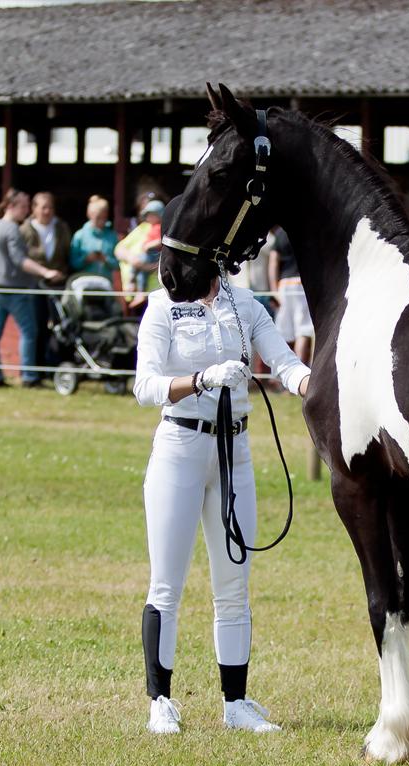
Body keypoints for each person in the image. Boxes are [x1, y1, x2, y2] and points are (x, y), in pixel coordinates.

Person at [133, 277, 311, 734]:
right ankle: (160, 701)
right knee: (167, 583)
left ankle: (236, 702)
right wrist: (200, 380)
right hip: (181, 444)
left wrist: (312, 384)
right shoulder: (162, 306)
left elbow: (284, 360)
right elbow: (145, 385)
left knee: (234, 583)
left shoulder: (244, 302)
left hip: (236, 449)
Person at [0, 189, 64, 388]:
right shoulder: (12, 229)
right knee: (29, 332)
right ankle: (29, 376)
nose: (26, 211)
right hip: (13, 289)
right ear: (11, 206)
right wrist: (45, 272)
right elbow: (20, 260)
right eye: (23, 206)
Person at [20, 192, 72, 368]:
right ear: (34, 209)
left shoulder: (61, 228)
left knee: (60, 326)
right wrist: (43, 272)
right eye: (43, 207)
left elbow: (67, 254)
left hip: (58, 284)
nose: (47, 211)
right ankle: (36, 367)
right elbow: (22, 259)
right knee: (37, 325)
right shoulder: (26, 230)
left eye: (50, 207)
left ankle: (55, 365)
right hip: (35, 285)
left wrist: (61, 274)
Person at [269, 226, 314, 363]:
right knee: (303, 331)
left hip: (284, 284)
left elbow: (273, 263)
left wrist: (274, 290)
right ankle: (301, 369)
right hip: (302, 283)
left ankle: (285, 370)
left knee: (284, 332)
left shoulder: (279, 235)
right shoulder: (305, 230)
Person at [116, 199, 165, 309]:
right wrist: (132, 259)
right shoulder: (142, 228)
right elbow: (119, 249)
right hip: (131, 297)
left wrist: (149, 266)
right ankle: (133, 284)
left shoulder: (165, 229)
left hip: (156, 296)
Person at [69, 195, 119, 281]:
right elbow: (72, 264)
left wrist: (106, 259)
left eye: (104, 218)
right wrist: (86, 259)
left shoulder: (112, 235)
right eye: (98, 218)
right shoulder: (79, 235)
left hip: (106, 283)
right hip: (84, 284)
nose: (101, 221)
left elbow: (119, 265)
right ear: (89, 215)